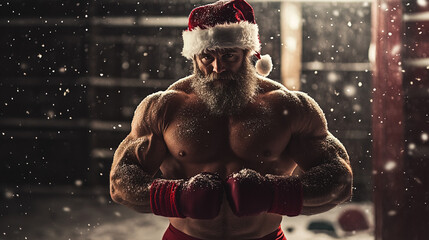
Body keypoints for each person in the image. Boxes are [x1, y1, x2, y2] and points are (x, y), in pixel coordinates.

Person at [109, 0, 353, 239]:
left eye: (229, 56)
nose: (218, 67)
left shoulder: (287, 106)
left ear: (247, 54)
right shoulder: (164, 108)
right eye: (207, 57)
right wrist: (178, 196)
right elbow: (120, 182)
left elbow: (339, 179)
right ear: (194, 58)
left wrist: (273, 194)